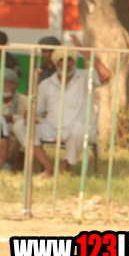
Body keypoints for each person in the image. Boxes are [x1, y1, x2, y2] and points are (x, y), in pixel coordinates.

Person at [21, 48, 111, 176]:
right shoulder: (47, 84)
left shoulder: (86, 76)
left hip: (80, 129)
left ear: (74, 61)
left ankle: (62, 168)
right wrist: (29, 116)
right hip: (52, 127)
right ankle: (49, 168)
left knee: (78, 132)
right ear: (56, 63)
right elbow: (37, 108)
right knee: (20, 126)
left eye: (69, 60)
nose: (65, 64)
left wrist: (83, 51)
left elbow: (106, 75)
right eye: (61, 60)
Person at [2, 68, 28, 170]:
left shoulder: (24, 101)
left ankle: (19, 168)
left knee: (23, 130)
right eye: (3, 82)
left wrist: (12, 118)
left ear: (15, 85)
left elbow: (35, 119)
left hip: (15, 143)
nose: (7, 85)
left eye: (10, 82)